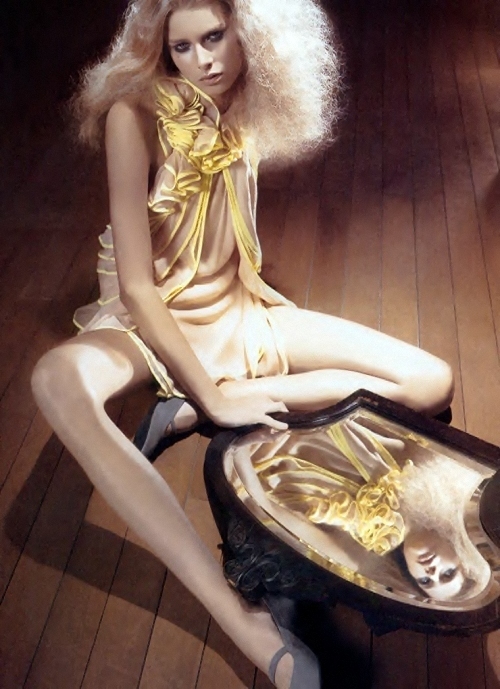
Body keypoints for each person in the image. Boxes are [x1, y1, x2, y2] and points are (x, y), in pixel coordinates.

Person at [31, 0, 454, 686]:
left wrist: (224, 391)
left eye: (215, 37)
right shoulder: (131, 117)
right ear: (161, 50)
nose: (204, 61)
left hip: (241, 316)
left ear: (248, 30)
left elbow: (230, 252)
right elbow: (138, 288)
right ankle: (247, 624)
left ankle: (205, 401)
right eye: (183, 48)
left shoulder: (251, 97)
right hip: (148, 324)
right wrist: (214, 395)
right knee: (55, 378)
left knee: (431, 380)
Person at [233, 420, 491, 603]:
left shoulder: (362, 553)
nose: (432, 572)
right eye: (448, 573)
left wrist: (239, 450)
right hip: (292, 411)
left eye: (425, 581)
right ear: (462, 553)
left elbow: (270, 513)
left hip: (252, 452)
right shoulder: (421, 476)